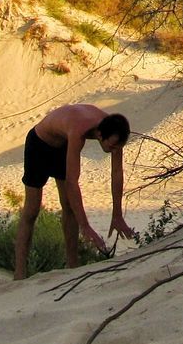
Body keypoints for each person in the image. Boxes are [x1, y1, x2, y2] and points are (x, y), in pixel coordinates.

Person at [13, 103, 134, 280]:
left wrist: (117, 215)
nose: (115, 151)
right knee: (31, 210)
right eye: (113, 146)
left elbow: (117, 172)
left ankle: (72, 266)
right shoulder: (79, 130)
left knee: (69, 206)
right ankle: (19, 274)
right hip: (39, 144)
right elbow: (72, 182)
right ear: (100, 135)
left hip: (62, 145)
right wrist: (85, 226)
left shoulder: (114, 129)